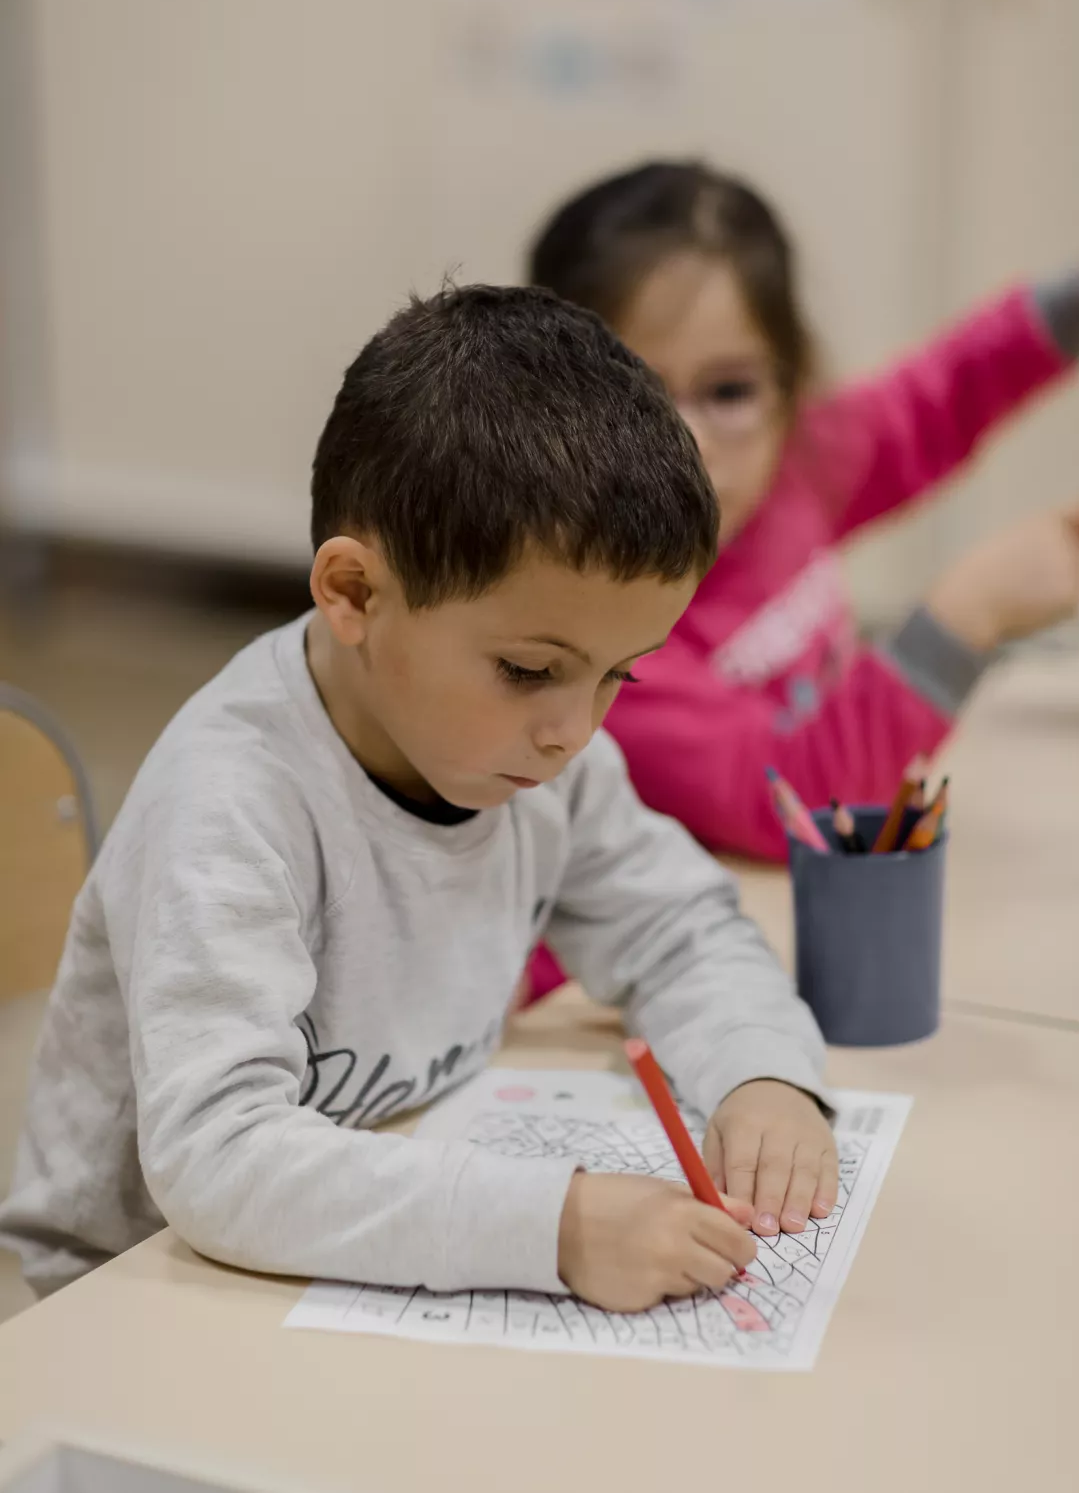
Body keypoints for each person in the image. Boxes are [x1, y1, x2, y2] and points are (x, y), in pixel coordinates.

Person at [0, 285, 835, 1312]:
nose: (574, 730)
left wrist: (760, 1073)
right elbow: (218, 1156)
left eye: (620, 674)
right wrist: (556, 1227)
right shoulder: (229, 802)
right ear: (354, 593)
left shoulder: (531, 755)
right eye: (529, 670)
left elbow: (678, 929)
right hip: (153, 1297)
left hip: (377, 1240)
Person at [527, 159, 1079, 869]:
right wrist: (966, 617)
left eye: (729, 392)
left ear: (789, 387)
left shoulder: (797, 467)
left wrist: (1077, 303)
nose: (687, 444)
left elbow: (943, 393)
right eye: (633, 397)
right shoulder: (601, 644)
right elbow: (798, 801)